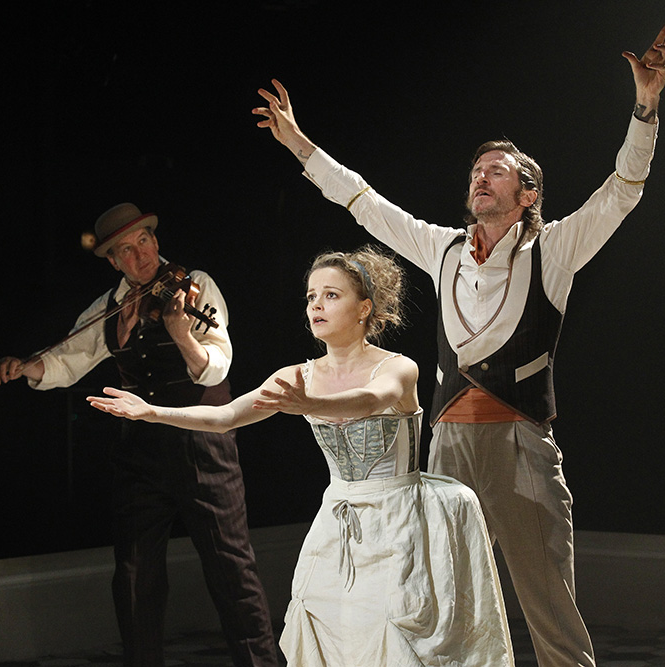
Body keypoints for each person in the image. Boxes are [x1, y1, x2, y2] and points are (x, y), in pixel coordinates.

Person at [251, 25, 665, 667]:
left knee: (547, 609)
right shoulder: (442, 247)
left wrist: (644, 107)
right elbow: (365, 203)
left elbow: (622, 190)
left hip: (517, 443)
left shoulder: (553, 250)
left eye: (497, 172)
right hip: (445, 445)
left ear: (527, 194)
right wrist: (300, 145)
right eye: (477, 170)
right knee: (443, 606)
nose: (481, 177)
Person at [89, 246, 515, 667]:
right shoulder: (297, 377)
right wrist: (152, 412)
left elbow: (368, 400)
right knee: (328, 628)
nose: (317, 305)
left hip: (398, 517)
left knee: (391, 630)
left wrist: (308, 404)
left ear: (364, 308)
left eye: (331, 295)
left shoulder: (397, 367)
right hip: (338, 520)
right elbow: (224, 416)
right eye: (312, 296)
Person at [0, 202, 278, 667]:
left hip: (201, 446)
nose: (140, 256)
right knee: (133, 574)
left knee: (230, 568)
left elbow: (216, 368)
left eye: (144, 242)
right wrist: (26, 367)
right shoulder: (109, 306)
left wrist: (183, 334)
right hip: (140, 452)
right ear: (113, 261)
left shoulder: (194, 286)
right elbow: (68, 359)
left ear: (155, 242)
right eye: (127, 250)